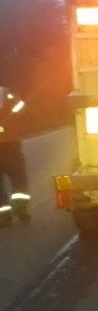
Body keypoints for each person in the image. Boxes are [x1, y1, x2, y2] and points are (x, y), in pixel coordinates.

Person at [0, 86, 31, 227]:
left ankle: (4, 217)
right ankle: (20, 209)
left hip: (10, 145)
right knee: (19, 179)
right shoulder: (5, 93)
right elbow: (22, 109)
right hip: (10, 146)